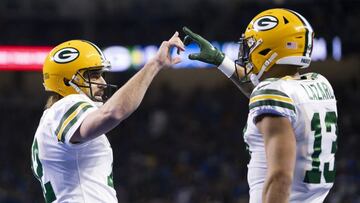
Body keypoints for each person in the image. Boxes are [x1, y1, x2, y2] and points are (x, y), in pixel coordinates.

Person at [183, 8, 338, 203]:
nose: (247, 52)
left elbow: (280, 177)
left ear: (269, 49)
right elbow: (265, 94)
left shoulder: (273, 94)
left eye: (251, 45)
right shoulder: (320, 84)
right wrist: (221, 60)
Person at [30, 33, 184, 203]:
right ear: (66, 81)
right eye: (94, 75)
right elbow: (113, 113)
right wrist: (155, 63)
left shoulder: (51, 119)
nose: (103, 82)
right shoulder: (67, 105)